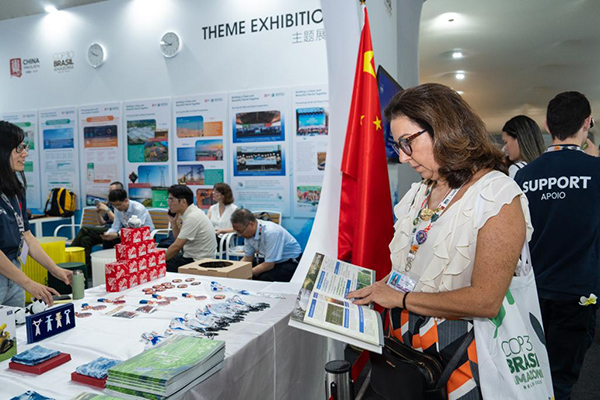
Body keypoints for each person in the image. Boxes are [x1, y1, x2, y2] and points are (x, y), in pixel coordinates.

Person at [346, 83, 532, 398]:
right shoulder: (420, 191)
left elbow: (486, 301)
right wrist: (379, 288)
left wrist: (400, 299)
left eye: (407, 143)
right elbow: (415, 266)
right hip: (405, 347)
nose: (402, 157)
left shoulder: (496, 195)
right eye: (397, 146)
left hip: (459, 355)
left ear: (445, 129)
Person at [514, 91, 600, 400]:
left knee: (530, 374)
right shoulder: (596, 172)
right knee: (560, 380)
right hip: (578, 292)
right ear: (587, 123)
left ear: (548, 126)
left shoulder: (524, 176)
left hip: (531, 292)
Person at [0, 121, 73, 307]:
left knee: (14, 326)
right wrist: (28, 282)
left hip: (13, 272)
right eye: (19, 148)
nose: (25, 153)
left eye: (25, 147)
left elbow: (27, 236)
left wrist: (55, 269)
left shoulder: (15, 190)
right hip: (10, 274)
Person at [231, 209, 301, 282]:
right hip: (273, 262)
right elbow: (248, 258)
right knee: (246, 272)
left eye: (240, 231)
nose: (239, 235)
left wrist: (245, 274)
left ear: (251, 224)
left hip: (290, 261)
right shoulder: (248, 234)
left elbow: (269, 265)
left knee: (262, 278)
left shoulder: (272, 232)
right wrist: (235, 271)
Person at [71, 181, 123, 271]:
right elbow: (102, 223)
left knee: (85, 229)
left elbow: (119, 221)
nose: (110, 193)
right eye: (109, 191)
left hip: (116, 232)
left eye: (112, 191)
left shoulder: (121, 203)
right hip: (105, 229)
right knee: (85, 240)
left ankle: (71, 251)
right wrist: (98, 213)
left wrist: (107, 210)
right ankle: (88, 270)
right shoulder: (110, 204)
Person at [165, 185, 217, 272]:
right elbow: (178, 240)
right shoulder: (190, 213)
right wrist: (173, 224)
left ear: (183, 202)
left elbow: (177, 247)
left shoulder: (192, 217)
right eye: (168, 200)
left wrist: (156, 261)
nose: (169, 203)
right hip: (192, 257)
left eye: (171, 200)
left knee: (159, 267)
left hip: (198, 261)